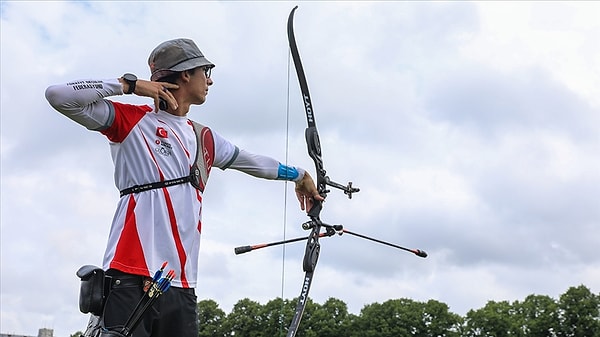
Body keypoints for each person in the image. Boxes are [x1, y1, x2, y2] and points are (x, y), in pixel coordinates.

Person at [45, 38, 323, 337]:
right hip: (130, 274)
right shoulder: (131, 121)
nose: (211, 80)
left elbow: (253, 162)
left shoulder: (204, 138)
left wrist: (300, 174)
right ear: (186, 74)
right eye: (206, 70)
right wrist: (130, 86)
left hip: (181, 284)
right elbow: (59, 95)